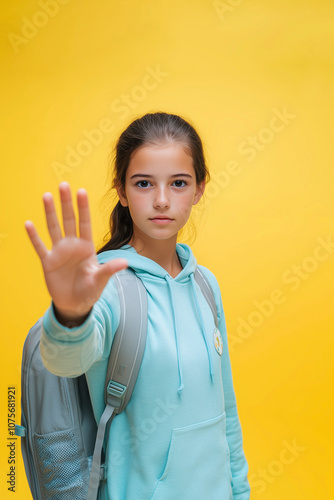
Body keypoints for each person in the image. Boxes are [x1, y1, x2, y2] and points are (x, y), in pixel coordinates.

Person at [24, 112, 251, 500]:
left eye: (178, 183)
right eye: (143, 183)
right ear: (122, 192)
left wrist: (240, 491)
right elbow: (66, 360)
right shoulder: (109, 287)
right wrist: (70, 314)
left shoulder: (205, 284)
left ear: (199, 189)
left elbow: (225, 410)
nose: (162, 200)